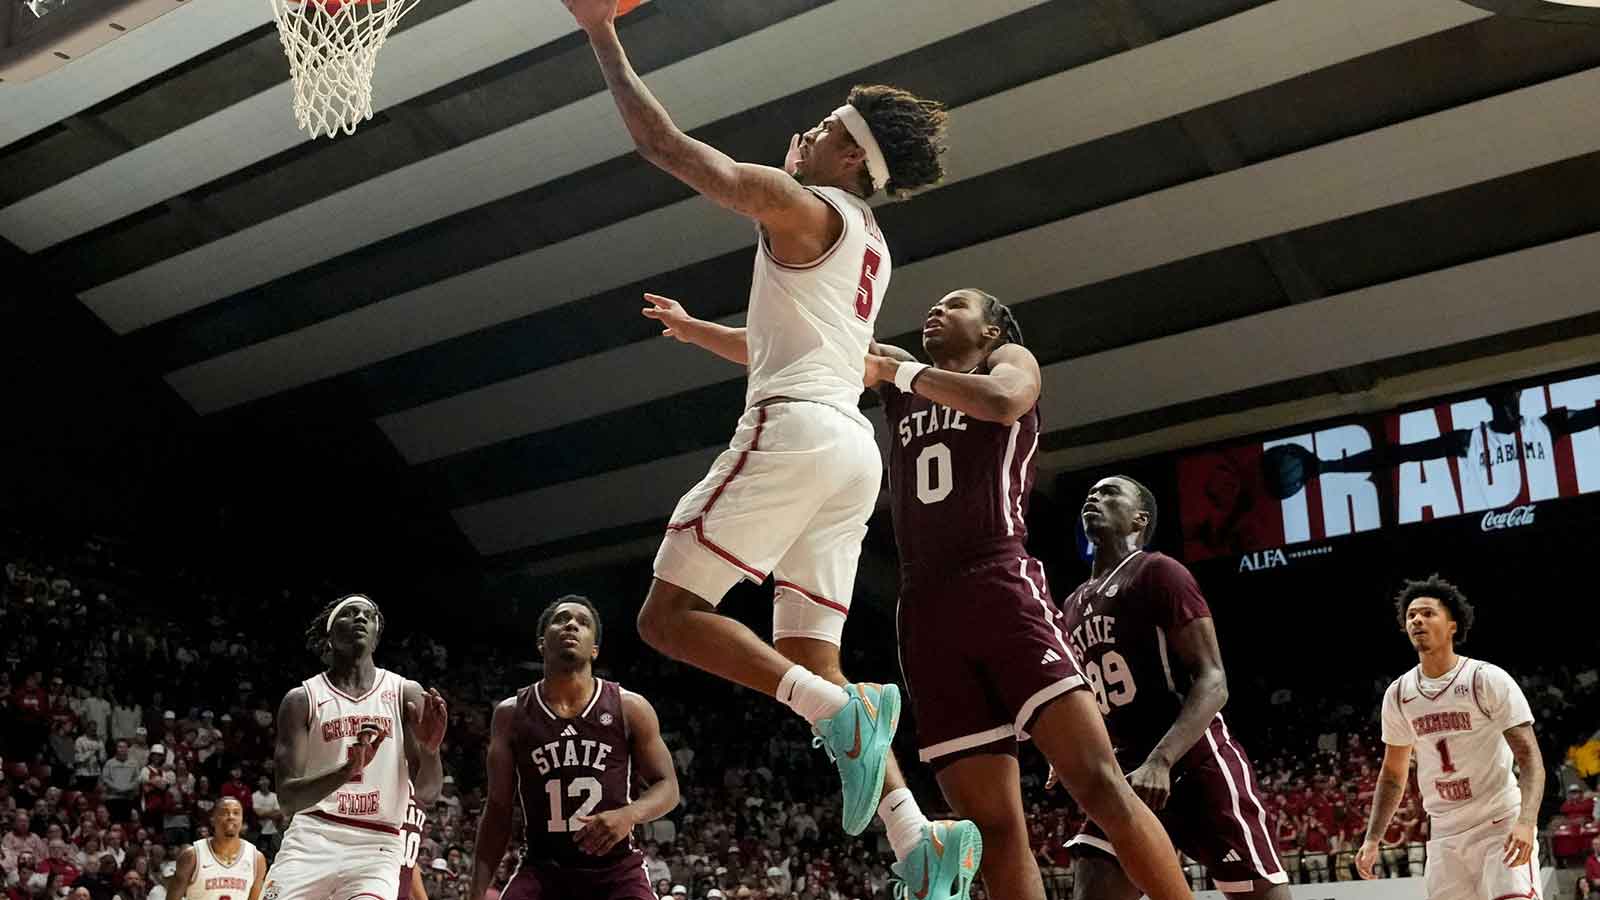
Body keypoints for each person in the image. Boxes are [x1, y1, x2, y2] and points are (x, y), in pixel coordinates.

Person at [560, 0, 966, 891]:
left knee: (664, 618)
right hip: (853, 455)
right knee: (815, 656)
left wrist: (600, 32)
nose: (805, 133)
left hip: (794, 433)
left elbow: (671, 150)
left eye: (824, 129)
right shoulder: (871, 247)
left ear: (853, 158)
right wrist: (701, 331)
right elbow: (812, 346)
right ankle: (917, 836)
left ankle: (839, 716)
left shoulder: (802, 202)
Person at [1057, 475, 1287, 900]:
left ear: (1139, 519)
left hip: (1195, 762)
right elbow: (1090, 693)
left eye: (1110, 493)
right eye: (1091, 493)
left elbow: (1213, 679)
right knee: (1093, 881)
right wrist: (1067, 742)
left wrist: (1162, 760)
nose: (1094, 497)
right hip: (1126, 771)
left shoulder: (1159, 572)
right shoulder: (1072, 602)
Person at [469, 596, 679, 900]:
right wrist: (475, 893)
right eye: (561, 619)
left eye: (583, 623)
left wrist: (628, 815)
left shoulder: (630, 707)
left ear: (594, 649)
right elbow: (498, 810)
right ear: (542, 643)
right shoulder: (510, 714)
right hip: (543, 870)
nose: (571, 624)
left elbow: (669, 787)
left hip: (616, 871)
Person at [1355, 575, 1545, 900]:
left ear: (1452, 625)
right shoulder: (1399, 694)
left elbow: (1530, 761)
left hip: (1497, 822)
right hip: (1444, 833)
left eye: (1428, 613)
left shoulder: (1485, 679)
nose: (1417, 619)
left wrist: (1526, 822)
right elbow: (1392, 776)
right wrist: (1373, 838)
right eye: (1412, 615)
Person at [261, 594, 449, 900]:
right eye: (349, 613)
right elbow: (288, 800)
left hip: (376, 845)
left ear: (376, 637)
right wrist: (347, 770)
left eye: (369, 615)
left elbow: (427, 793)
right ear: (330, 636)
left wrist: (430, 752)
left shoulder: (404, 693)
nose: (360, 618)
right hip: (311, 837)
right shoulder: (301, 699)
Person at [166, 799, 264, 900]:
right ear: (212, 820)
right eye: (224, 813)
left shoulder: (256, 858)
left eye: (236, 813)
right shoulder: (192, 856)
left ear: (242, 820)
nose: (231, 817)